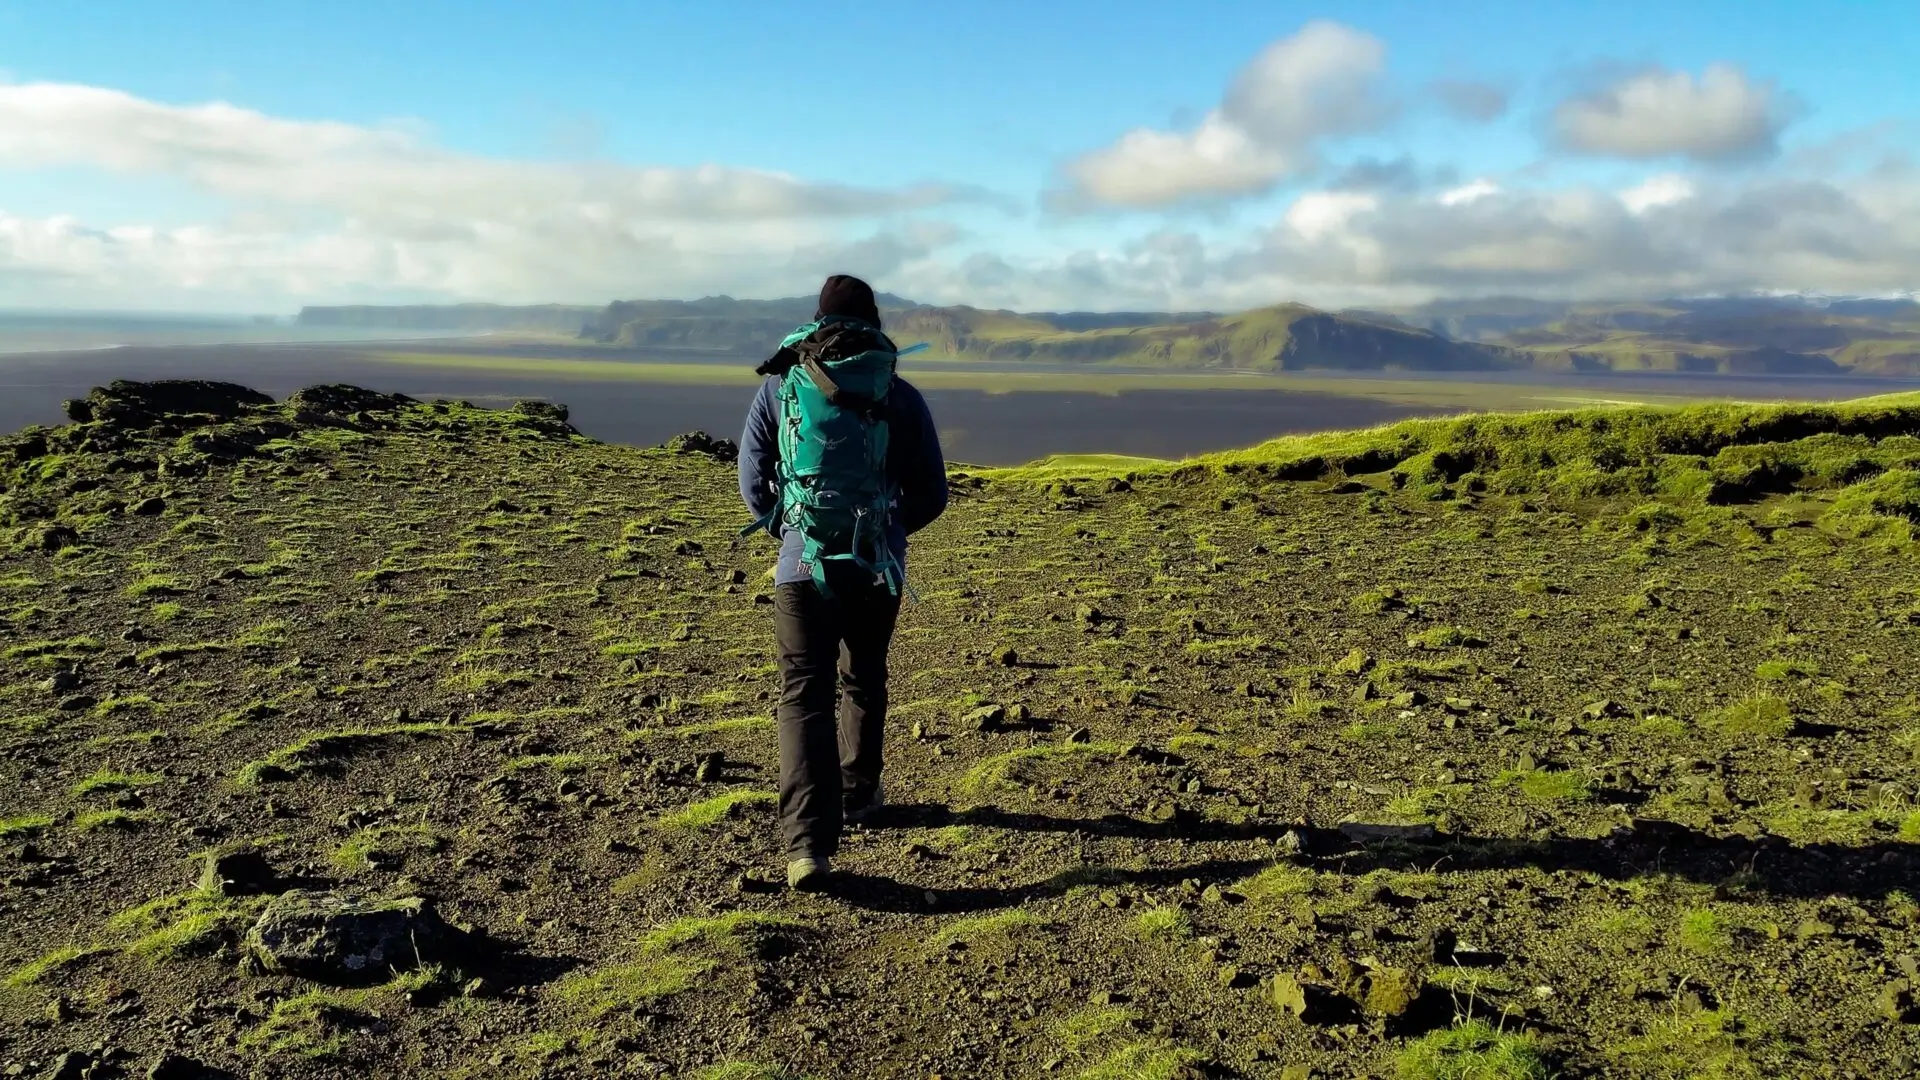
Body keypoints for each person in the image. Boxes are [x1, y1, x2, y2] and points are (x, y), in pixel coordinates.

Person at [738, 274, 948, 891]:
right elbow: (933, 493)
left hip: (801, 567)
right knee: (864, 675)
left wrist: (797, 530)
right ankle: (860, 792)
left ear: (816, 318)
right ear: (876, 320)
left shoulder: (781, 388)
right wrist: (886, 531)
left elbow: (753, 485)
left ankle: (807, 846)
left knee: (803, 694)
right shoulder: (900, 394)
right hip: (877, 567)